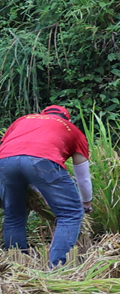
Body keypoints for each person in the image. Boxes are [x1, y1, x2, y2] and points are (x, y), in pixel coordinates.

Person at [0, 105, 94, 268]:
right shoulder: (71, 129)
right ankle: (56, 268)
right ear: (67, 118)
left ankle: (16, 267)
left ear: (42, 114)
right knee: (70, 213)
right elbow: (83, 176)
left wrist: (39, 189)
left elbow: (18, 157)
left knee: (14, 214)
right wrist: (86, 202)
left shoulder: (22, 120)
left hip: (4, 162)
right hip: (44, 161)